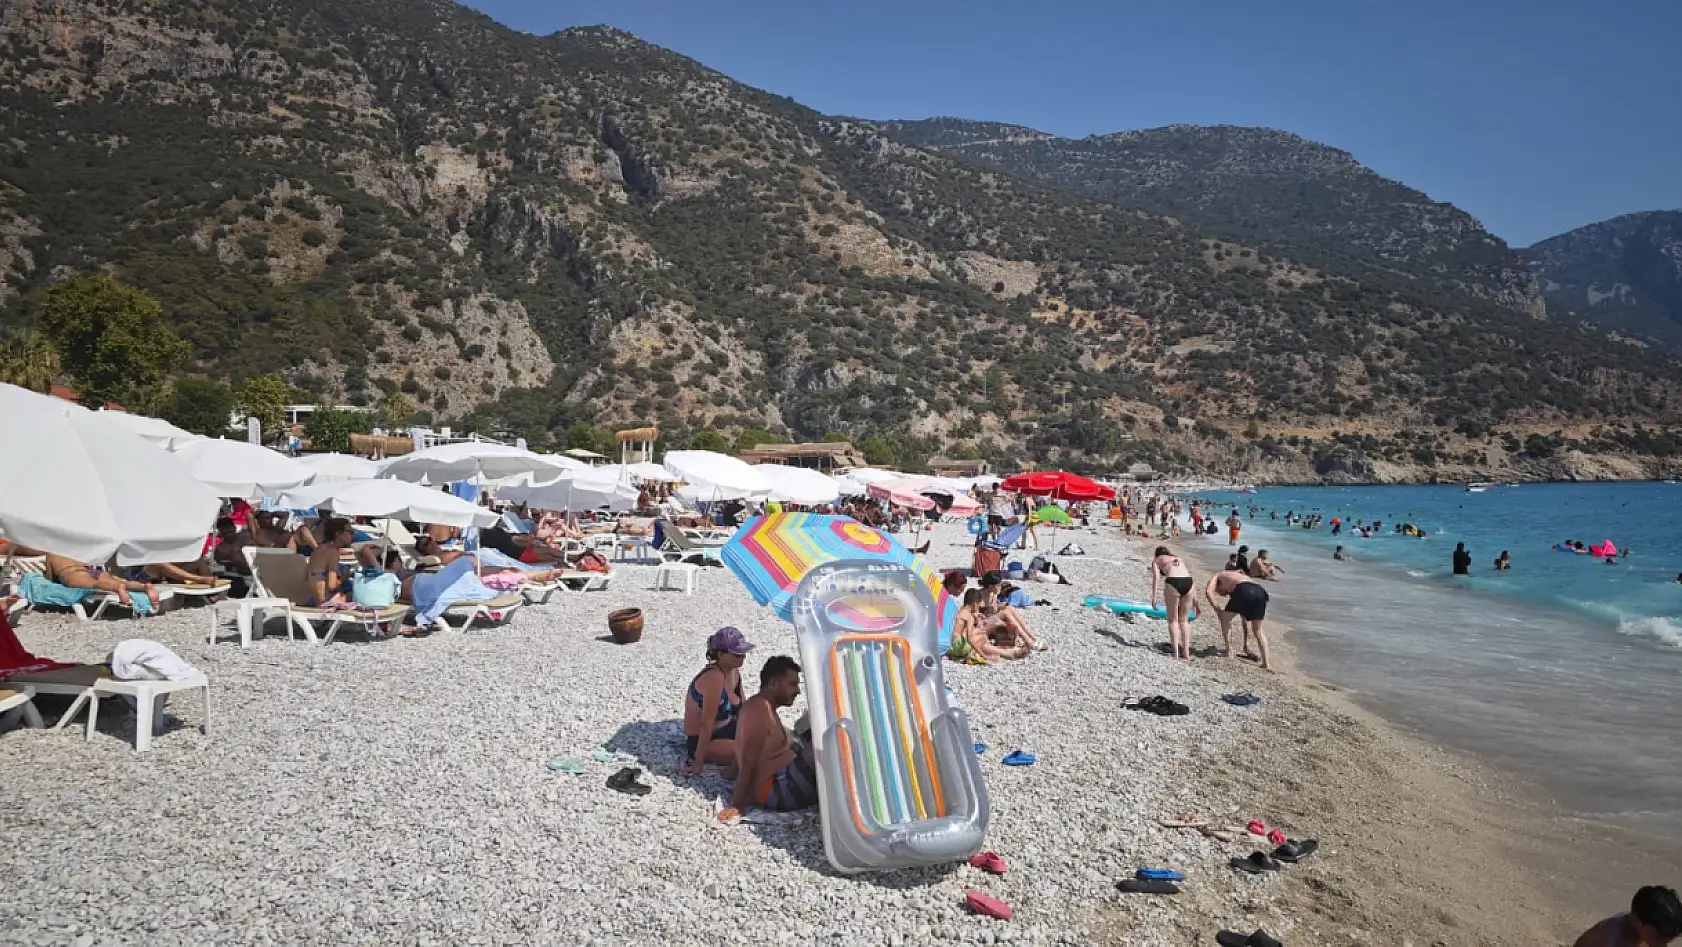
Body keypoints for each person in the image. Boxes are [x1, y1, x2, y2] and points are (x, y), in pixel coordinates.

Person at [719, 655, 817, 819]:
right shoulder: (760, 710)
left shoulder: (760, 706)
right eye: (792, 684)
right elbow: (749, 757)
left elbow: (741, 747)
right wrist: (738, 804)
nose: (798, 691)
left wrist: (730, 772)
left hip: (782, 781)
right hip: (776, 791)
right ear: (773, 684)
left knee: (808, 728)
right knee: (823, 741)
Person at [683, 628, 752, 776]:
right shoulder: (714, 678)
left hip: (728, 727)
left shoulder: (734, 671)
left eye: (743, 652)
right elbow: (706, 725)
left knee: (780, 738)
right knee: (755, 754)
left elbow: (745, 707)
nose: (743, 657)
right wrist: (698, 763)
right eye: (736, 654)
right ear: (720, 654)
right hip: (705, 740)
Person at [1204, 569, 1272, 670]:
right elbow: (1244, 619)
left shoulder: (1217, 576)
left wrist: (1218, 610)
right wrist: (1246, 643)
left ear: (1218, 585)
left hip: (1244, 590)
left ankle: (1229, 651)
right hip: (1261, 591)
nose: (1224, 594)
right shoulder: (1236, 578)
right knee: (1258, 630)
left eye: (1220, 592)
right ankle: (1266, 664)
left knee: (1225, 619)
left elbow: (1208, 591)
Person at [1571, 885, 1682, 947]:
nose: (1662, 946)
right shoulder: (1617, 937)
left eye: (1667, 942)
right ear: (1636, 918)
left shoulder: (1635, 923)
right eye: (1657, 939)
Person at [42, 554, 160, 609]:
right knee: (118, 581)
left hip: (73, 574)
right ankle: (144, 587)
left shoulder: (51, 554)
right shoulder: (74, 550)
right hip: (93, 571)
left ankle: (116, 589)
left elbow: (49, 578)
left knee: (95, 585)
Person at [951, 590, 1030, 662]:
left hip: (953, 646)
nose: (978, 608)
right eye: (978, 605)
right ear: (975, 604)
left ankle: (1007, 652)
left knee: (980, 637)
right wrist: (985, 656)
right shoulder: (969, 616)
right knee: (980, 638)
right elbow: (970, 639)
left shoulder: (961, 611)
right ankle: (1007, 652)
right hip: (958, 647)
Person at [1148, 546, 1197, 661]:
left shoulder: (1157, 560)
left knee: (1173, 620)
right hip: (1189, 583)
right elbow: (1187, 576)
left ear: (1157, 554)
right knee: (1184, 621)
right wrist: (1195, 602)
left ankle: (1175, 653)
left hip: (1173, 582)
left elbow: (1156, 577)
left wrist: (1154, 597)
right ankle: (1186, 653)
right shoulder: (1178, 559)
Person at [305, 517, 355, 606]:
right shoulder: (333, 552)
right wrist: (344, 577)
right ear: (338, 534)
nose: (353, 534)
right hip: (325, 601)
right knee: (355, 590)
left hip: (311, 598)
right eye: (350, 532)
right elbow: (332, 585)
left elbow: (306, 576)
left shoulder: (318, 549)